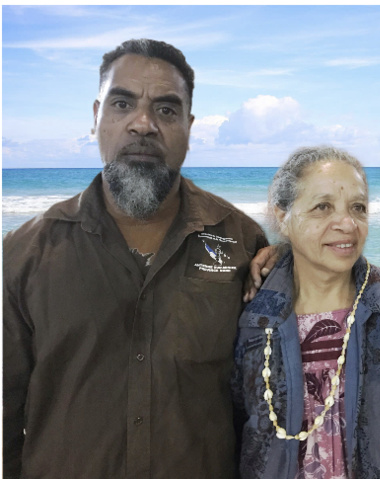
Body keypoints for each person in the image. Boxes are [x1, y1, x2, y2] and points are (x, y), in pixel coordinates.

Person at [3, 39, 268, 479]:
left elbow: (260, 393)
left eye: (166, 110)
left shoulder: (241, 240)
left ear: (189, 126)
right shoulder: (25, 253)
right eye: (122, 103)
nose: (143, 124)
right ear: (96, 117)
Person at [232, 146, 380, 478]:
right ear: (282, 217)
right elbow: (239, 415)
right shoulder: (254, 315)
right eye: (323, 207)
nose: (347, 224)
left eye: (358, 208)